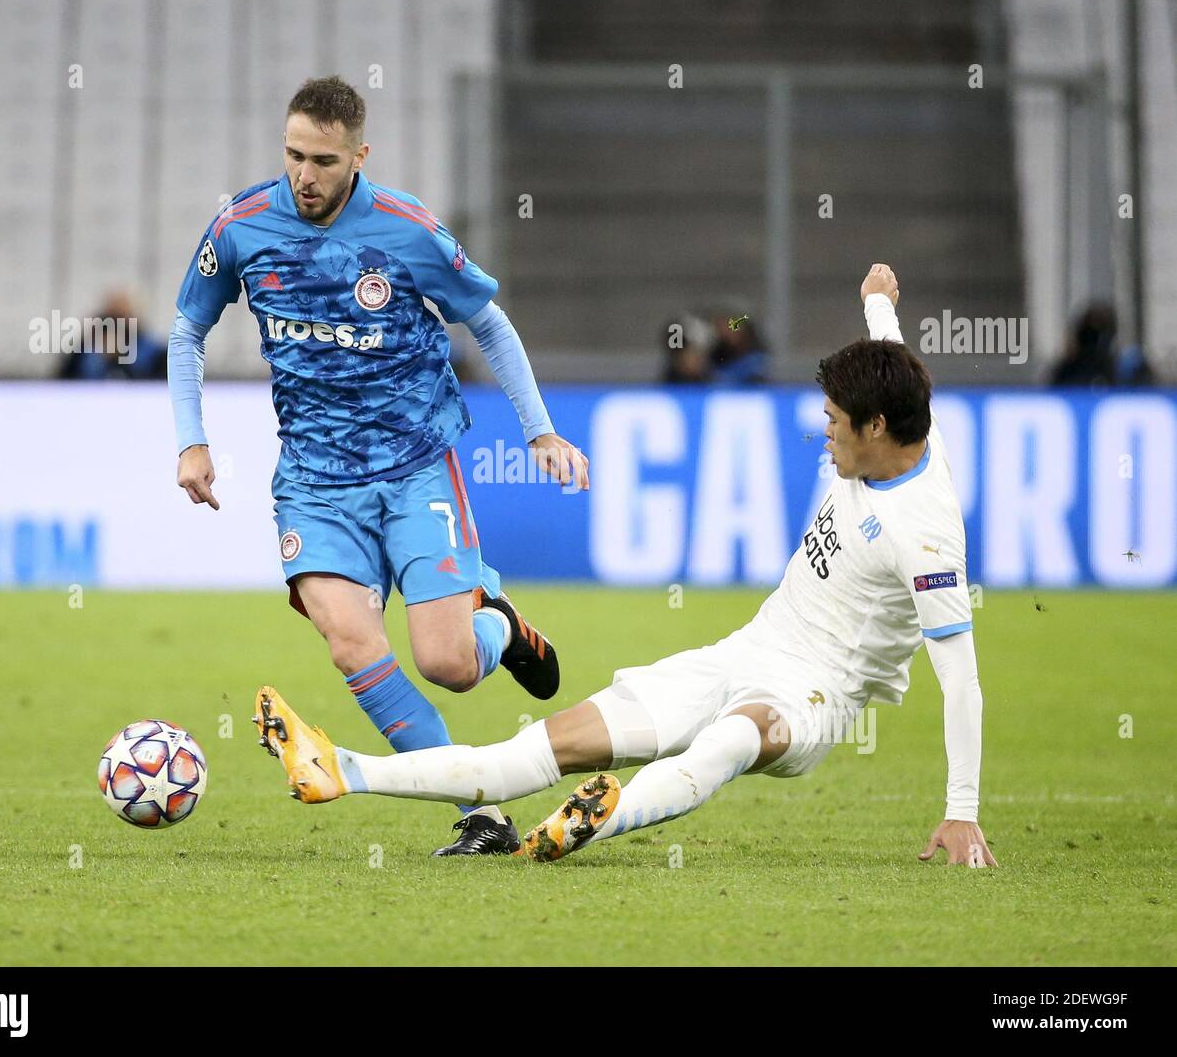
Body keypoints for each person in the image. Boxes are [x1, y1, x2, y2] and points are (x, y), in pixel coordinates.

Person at [253, 263, 997, 869]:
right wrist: (875, 301)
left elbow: (960, 679)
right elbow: (899, 358)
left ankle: (603, 819)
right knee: (542, 745)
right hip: (746, 648)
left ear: (875, 427)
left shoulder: (925, 533)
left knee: (736, 737)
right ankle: (342, 768)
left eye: (835, 422)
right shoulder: (896, 412)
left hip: (812, 694)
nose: (824, 434)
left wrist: (961, 811)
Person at [169, 75, 589, 856]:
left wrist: (540, 431)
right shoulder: (241, 226)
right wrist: (190, 439)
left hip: (415, 467)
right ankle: (480, 815)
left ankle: (498, 623)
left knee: (447, 663)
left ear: (359, 155)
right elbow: (186, 330)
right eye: (293, 154)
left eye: (323, 160)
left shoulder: (405, 231)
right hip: (314, 482)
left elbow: (488, 323)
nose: (304, 175)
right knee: (353, 643)